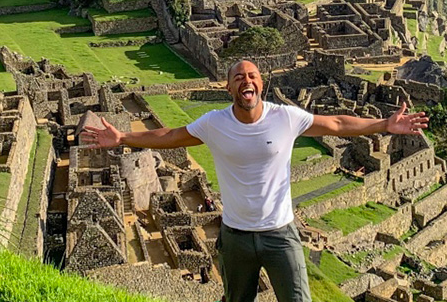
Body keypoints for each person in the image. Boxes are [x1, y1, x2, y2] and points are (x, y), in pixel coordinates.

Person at [82, 59, 429, 302]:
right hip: (234, 236)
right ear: (229, 86)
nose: (246, 81)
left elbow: (336, 124)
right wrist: (125, 138)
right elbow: (171, 135)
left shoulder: (286, 118)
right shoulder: (214, 123)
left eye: (252, 76)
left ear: (261, 83)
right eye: (239, 77)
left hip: (280, 233)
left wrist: (383, 125)